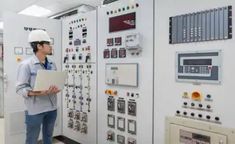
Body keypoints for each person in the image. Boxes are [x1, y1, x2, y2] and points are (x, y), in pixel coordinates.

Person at [16, 30, 60, 144]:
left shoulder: (52, 64)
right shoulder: (26, 65)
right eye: (48, 44)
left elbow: (54, 81)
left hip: (52, 108)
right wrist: (37, 93)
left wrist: (57, 87)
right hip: (35, 110)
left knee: (49, 136)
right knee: (32, 139)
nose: (51, 46)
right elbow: (20, 88)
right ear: (39, 46)